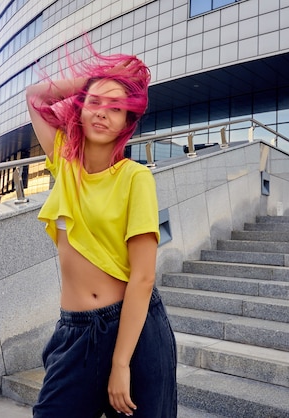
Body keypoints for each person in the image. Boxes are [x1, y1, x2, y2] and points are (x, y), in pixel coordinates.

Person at [26, 46, 177, 418]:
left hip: (135, 333)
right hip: (77, 333)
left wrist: (121, 363)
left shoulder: (135, 178)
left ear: (127, 120)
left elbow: (142, 278)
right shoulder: (64, 160)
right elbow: (35, 96)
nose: (103, 113)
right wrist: (98, 82)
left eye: (116, 107)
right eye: (95, 103)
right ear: (80, 105)